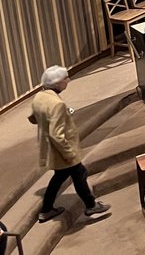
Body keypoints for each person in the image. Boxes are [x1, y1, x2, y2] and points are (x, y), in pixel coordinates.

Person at [30, 66, 110, 223]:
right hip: (63, 150)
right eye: (66, 78)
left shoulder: (39, 97)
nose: (69, 80)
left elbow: (34, 117)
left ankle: (46, 210)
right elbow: (56, 134)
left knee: (60, 178)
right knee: (80, 174)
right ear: (57, 83)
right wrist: (70, 154)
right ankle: (91, 205)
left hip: (51, 149)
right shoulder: (56, 104)